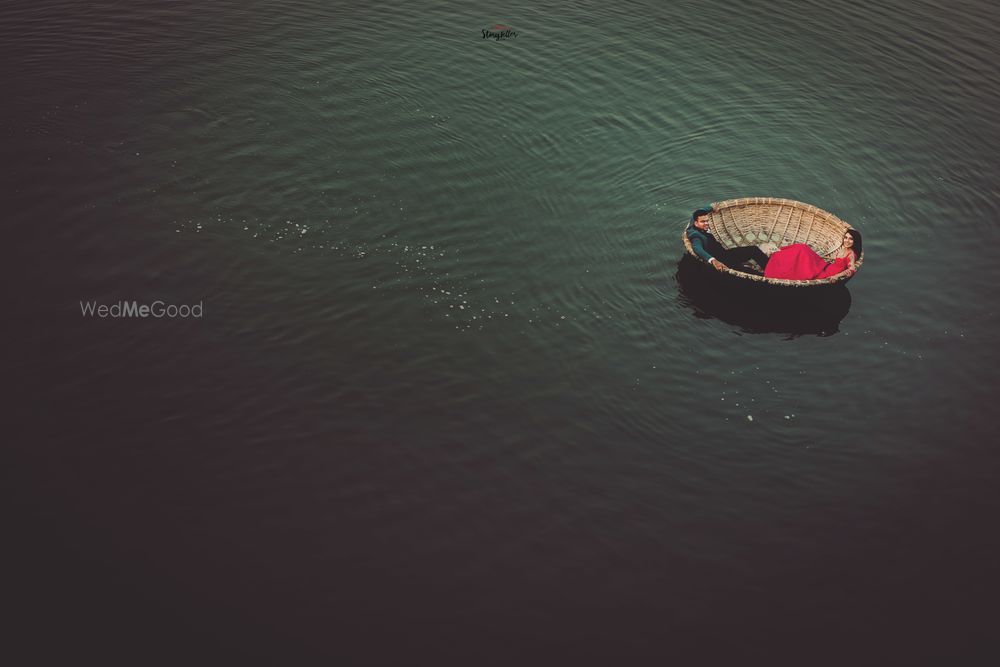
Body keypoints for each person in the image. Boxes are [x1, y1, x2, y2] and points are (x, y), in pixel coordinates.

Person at [686, 207, 770, 274]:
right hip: (721, 261)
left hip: (725, 253)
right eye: (703, 222)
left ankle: (770, 268)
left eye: (707, 221)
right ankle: (764, 275)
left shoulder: (695, 219)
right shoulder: (696, 236)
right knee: (750, 273)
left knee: (754, 249)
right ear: (696, 223)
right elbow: (697, 248)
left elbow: (702, 210)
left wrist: (711, 207)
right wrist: (713, 260)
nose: (706, 223)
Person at [763, 229, 862, 280]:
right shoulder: (844, 249)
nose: (847, 241)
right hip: (823, 265)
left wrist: (837, 276)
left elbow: (852, 269)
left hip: (823, 274)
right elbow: (836, 261)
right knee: (802, 247)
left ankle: (777, 257)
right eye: (846, 237)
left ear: (855, 241)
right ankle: (778, 255)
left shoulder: (851, 254)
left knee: (801, 250)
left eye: (851, 239)